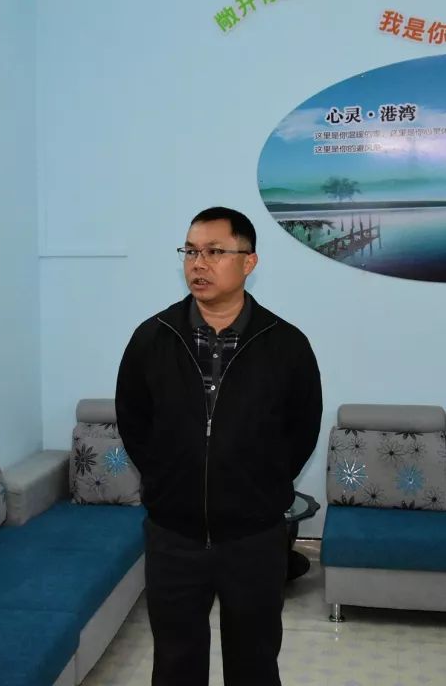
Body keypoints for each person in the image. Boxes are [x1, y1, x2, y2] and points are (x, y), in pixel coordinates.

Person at [115, 207, 322, 686]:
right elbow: (134, 422)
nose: (199, 263)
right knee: (175, 663)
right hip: (174, 535)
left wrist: (260, 487)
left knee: (254, 663)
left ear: (249, 262)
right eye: (190, 251)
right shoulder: (153, 338)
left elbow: (301, 430)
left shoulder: (285, 344)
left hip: (254, 537)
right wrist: (168, 482)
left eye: (214, 251)